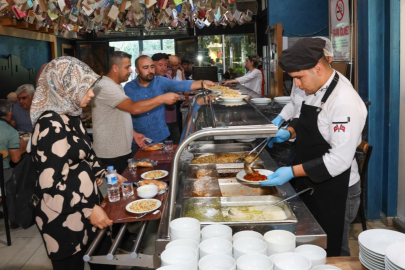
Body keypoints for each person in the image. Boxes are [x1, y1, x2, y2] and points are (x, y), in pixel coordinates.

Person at [261, 38, 367, 257]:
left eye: (299, 78)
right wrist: (288, 132)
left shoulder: (343, 101)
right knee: (311, 242)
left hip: (338, 188)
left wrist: (290, 171)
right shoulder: (317, 87)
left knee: (332, 248)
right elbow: (306, 121)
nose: (297, 85)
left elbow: (339, 160)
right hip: (313, 179)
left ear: (318, 68)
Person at [30, 56, 124, 270]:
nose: (92, 93)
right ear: (66, 86)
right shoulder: (49, 125)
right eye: (86, 88)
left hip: (86, 207)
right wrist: (89, 209)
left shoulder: (71, 117)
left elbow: (88, 155)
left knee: (104, 260)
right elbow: (50, 185)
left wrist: (104, 173)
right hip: (63, 219)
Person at [92, 51, 180, 174]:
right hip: (111, 152)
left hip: (121, 149)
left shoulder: (115, 86)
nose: (130, 71)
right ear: (115, 68)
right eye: (127, 67)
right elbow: (133, 108)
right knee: (117, 189)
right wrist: (162, 98)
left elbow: (121, 114)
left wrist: (133, 133)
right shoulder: (106, 87)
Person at [124, 55, 216, 154]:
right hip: (138, 140)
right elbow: (124, 115)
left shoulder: (160, 81)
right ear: (137, 71)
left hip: (160, 137)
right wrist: (134, 134)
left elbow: (180, 85)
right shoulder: (129, 88)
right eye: (145, 68)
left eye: (152, 67)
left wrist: (202, 83)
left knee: (162, 167)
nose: (150, 70)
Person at [272, 37, 336, 128]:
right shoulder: (299, 77)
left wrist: (292, 129)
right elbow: (293, 102)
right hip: (298, 130)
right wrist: (282, 116)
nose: (297, 83)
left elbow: (309, 115)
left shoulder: (328, 87)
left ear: (329, 59)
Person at [152, 53, 181, 144]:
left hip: (173, 119)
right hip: (159, 122)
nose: (164, 68)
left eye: (165, 65)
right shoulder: (150, 81)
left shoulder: (168, 76)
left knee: (176, 145)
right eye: (160, 65)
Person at [0, 99, 26, 186]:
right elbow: (15, 159)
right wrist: (22, 148)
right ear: (9, 113)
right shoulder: (11, 131)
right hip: (3, 174)